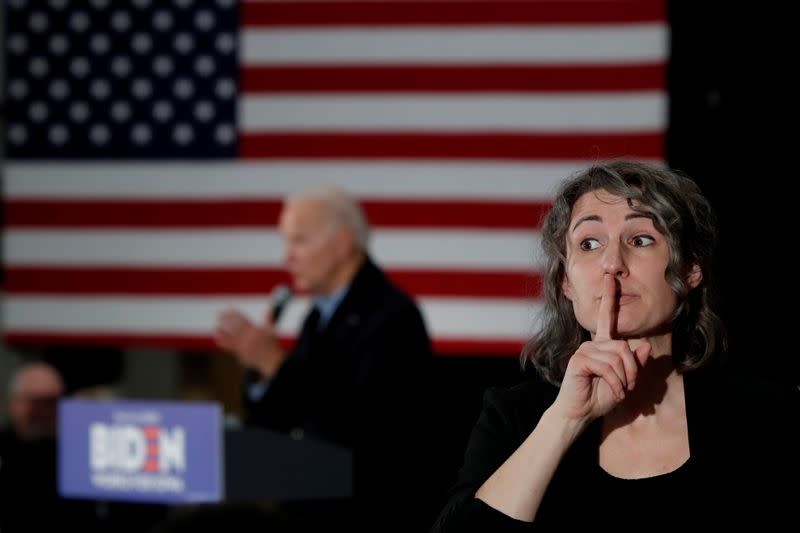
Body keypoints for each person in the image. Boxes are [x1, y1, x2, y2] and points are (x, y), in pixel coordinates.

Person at [431, 159, 800, 530]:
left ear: (690, 269)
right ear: (566, 283)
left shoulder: (767, 415)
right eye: (589, 244)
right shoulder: (513, 418)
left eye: (641, 240)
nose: (612, 263)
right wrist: (566, 420)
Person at [214, 185, 435, 530]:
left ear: (341, 244)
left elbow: (362, 426)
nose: (286, 257)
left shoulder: (392, 316)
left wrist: (276, 364)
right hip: (308, 506)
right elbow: (284, 417)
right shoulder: (317, 318)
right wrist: (260, 368)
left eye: (299, 241)